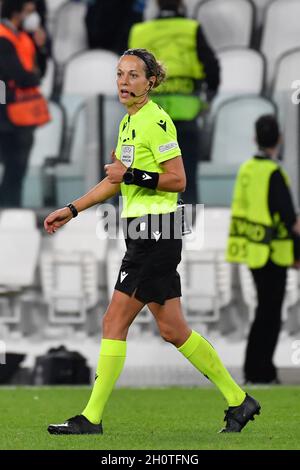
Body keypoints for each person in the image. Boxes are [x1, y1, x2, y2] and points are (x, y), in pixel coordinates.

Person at [45, 48, 260, 435]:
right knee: (174, 330)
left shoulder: (155, 121)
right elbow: (115, 179)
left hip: (156, 231)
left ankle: (91, 418)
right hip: (146, 234)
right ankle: (239, 401)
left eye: (133, 76)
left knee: (114, 320)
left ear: (151, 82)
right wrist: (72, 209)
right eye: (119, 74)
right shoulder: (129, 124)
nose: (124, 82)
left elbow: (177, 179)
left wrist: (131, 176)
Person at [226, 115, 300, 384]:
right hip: (274, 252)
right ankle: (263, 372)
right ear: (279, 138)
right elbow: (290, 219)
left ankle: (253, 369)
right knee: (269, 314)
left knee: (262, 312)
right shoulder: (275, 172)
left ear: (255, 139)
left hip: (253, 250)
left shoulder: (247, 169)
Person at [128, 0, 220, 204]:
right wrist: (209, 96)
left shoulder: (139, 32)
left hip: (149, 119)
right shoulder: (191, 29)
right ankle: (189, 227)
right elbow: (212, 68)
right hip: (186, 116)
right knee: (186, 177)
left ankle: (149, 225)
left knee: (147, 176)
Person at [0, 0, 50, 207]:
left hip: (22, 112)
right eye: (29, 8)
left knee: (17, 167)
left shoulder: (24, 37)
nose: (33, 13)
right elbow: (19, 75)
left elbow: (40, 70)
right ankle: (8, 210)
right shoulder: (3, 37)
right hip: (6, 111)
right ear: (17, 9)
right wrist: (33, 77)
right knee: (14, 165)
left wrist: (41, 48)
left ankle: (10, 210)